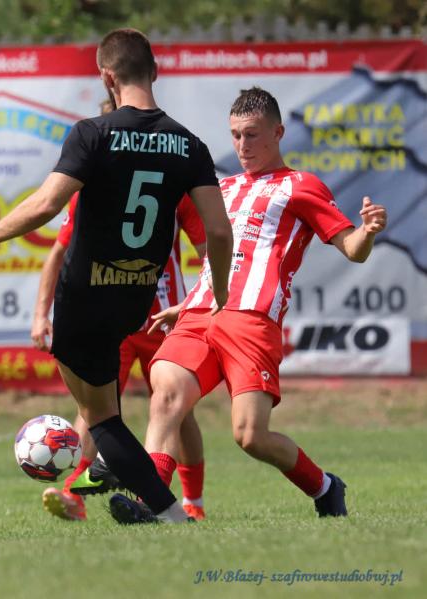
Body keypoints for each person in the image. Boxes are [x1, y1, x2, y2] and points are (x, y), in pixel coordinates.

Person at [0, 28, 233, 525]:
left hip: (84, 295)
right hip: (137, 298)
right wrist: (221, 290)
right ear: (155, 72)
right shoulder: (189, 145)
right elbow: (217, 229)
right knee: (107, 415)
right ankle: (152, 500)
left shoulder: (93, 133)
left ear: (107, 77)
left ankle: (141, 497)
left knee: (101, 417)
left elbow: (47, 204)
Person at [143, 87, 387, 519]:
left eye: (252, 135)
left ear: (277, 133)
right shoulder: (223, 188)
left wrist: (366, 232)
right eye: (236, 135)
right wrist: (190, 302)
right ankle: (154, 504)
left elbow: (352, 249)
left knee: (250, 436)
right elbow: (220, 259)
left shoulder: (301, 186)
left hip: (251, 319)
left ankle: (326, 486)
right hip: (201, 312)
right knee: (165, 393)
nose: (242, 145)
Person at [33, 189, 209, 521]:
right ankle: (74, 494)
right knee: (95, 405)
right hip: (115, 321)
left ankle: (192, 502)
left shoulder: (176, 188)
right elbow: (59, 252)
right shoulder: (92, 188)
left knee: (178, 411)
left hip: (165, 319)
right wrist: (41, 314)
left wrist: (194, 305)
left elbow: (210, 256)